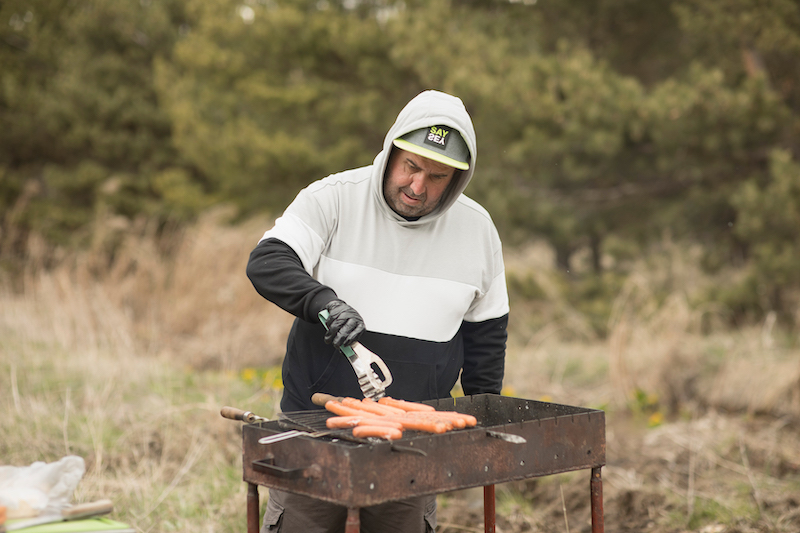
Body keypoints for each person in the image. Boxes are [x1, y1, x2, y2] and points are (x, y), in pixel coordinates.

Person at [246, 89, 509, 533]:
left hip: (412, 447)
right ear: (390, 153)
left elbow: (486, 335)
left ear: (458, 179)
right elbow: (267, 261)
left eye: (438, 175)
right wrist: (323, 303)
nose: (418, 186)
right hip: (314, 436)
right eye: (411, 166)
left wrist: (482, 419)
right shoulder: (333, 198)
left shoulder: (477, 230)